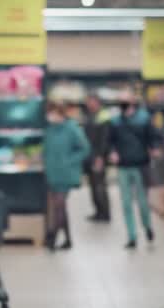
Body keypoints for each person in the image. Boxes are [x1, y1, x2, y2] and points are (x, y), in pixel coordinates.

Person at [109, 93, 161, 249]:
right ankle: (131, 236)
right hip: (123, 166)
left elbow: (154, 137)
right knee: (126, 203)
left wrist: (154, 148)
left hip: (140, 165)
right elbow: (110, 140)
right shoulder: (115, 121)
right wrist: (112, 151)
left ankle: (147, 227)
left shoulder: (144, 119)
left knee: (143, 202)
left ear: (133, 102)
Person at [43, 100, 90, 250]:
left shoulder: (72, 128)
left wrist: (69, 161)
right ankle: (68, 240)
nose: (49, 116)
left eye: (52, 113)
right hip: (53, 174)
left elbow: (85, 148)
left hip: (66, 174)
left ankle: (53, 238)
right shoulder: (50, 129)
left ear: (60, 113)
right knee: (60, 208)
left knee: (59, 205)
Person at [83, 95, 112, 222]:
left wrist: (100, 157)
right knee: (94, 186)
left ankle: (105, 213)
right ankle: (98, 212)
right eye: (88, 102)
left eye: (91, 102)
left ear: (97, 102)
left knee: (99, 186)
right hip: (90, 156)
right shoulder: (90, 115)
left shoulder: (103, 116)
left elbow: (104, 139)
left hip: (98, 157)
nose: (89, 104)